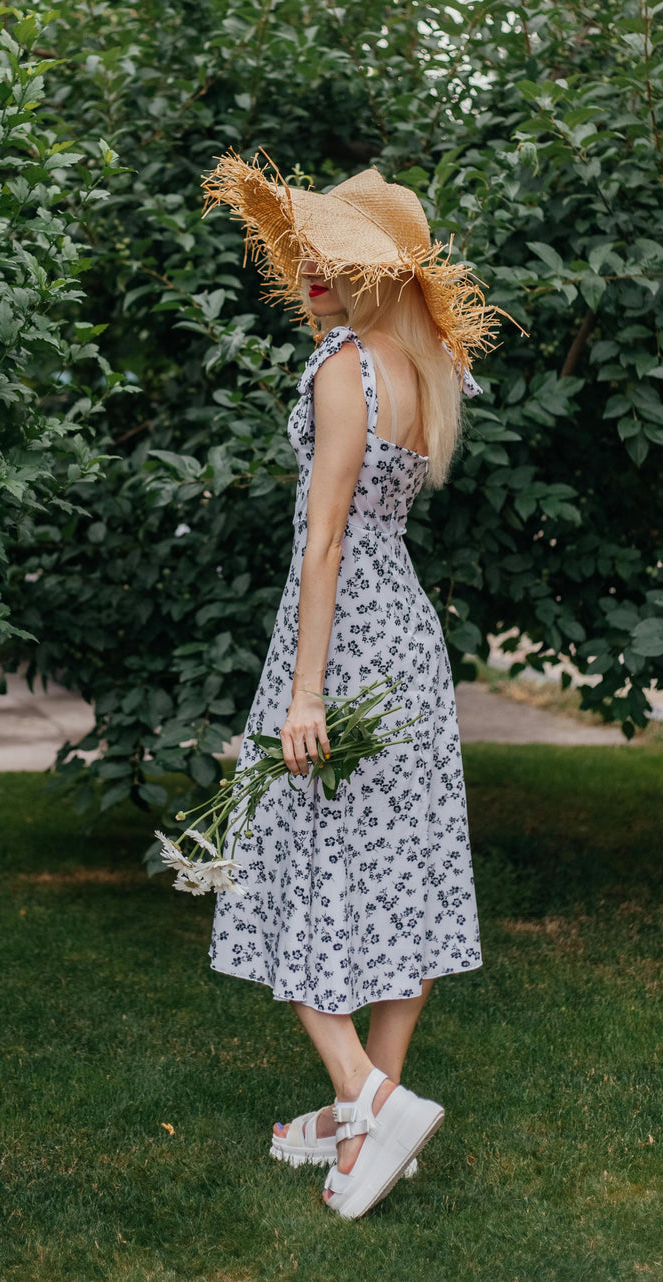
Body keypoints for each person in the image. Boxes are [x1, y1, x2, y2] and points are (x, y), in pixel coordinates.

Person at [200, 154, 501, 1221]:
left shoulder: (342, 367)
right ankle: (358, 1133)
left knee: (286, 862)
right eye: (308, 265)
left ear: (374, 273)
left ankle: (371, 1099)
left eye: (331, 266)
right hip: (407, 641)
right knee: (395, 870)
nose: (311, 282)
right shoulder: (425, 371)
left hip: (336, 643)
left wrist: (304, 693)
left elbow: (322, 538)